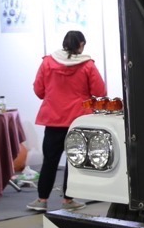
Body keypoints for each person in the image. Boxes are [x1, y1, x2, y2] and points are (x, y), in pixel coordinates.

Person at [28, 30, 105, 212]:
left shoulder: (47, 62)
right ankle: (68, 200)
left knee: (49, 162)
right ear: (81, 45)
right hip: (78, 121)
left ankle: (42, 200)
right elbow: (100, 91)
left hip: (53, 120)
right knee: (74, 161)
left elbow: (39, 90)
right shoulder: (87, 65)